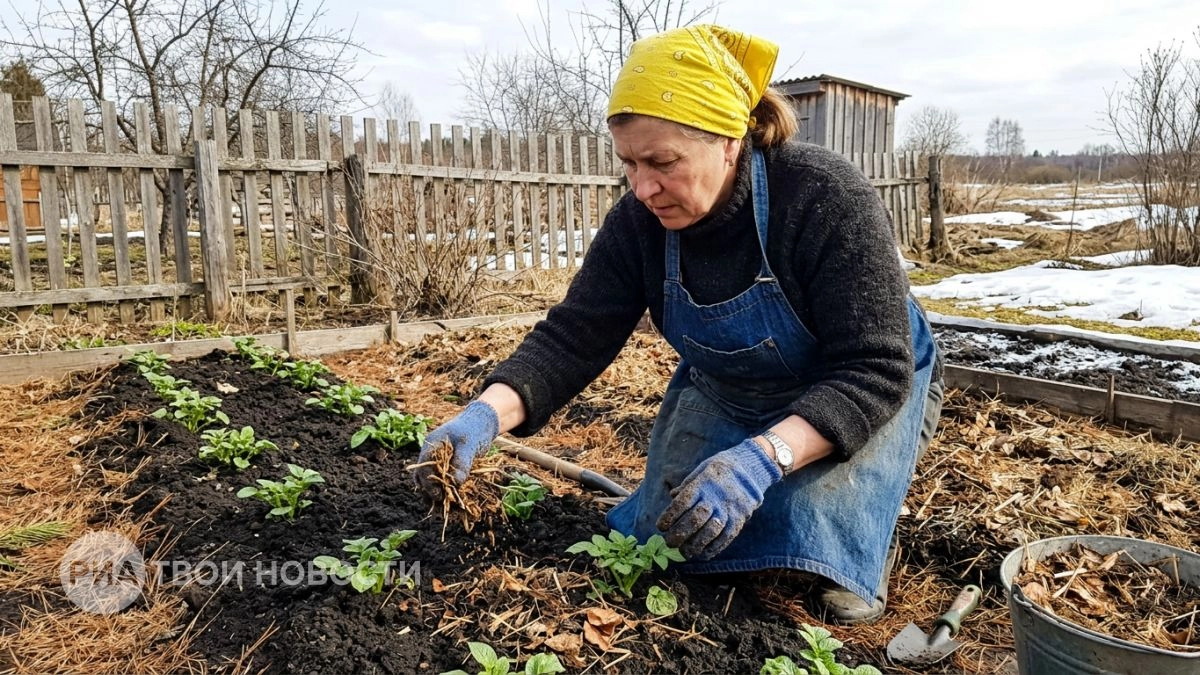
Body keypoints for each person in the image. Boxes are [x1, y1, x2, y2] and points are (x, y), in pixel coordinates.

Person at [413, 24, 944, 625]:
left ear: (727, 141)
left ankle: (863, 537)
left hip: (852, 385)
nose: (643, 188)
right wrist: (485, 412)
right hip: (731, 387)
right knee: (666, 542)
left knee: (815, 554)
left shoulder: (823, 196)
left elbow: (873, 368)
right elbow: (574, 335)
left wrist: (764, 456)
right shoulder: (639, 221)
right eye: (630, 164)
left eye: (663, 162)